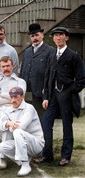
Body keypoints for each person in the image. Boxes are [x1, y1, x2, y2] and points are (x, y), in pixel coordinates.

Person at [37, 27, 85, 166]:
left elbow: (81, 79)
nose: (58, 38)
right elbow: (47, 77)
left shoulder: (73, 56)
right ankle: (47, 155)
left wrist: (70, 91)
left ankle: (65, 156)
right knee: (45, 123)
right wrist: (46, 96)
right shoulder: (52, 55)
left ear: (66, 37)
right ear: (53, 38)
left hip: (67, 97)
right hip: (52, 96)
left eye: (61, 35)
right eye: (56, 35)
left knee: (66, 126)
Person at [0, 56, 26, 169]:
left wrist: (1, 95)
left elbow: (19, 97)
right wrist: (11, 96)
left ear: (12, 66)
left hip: (13, 110)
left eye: (8, 66)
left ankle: (2, 158)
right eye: (3, 66)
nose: (6, 68)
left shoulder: (20, 81)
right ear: (0, 67)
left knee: (6, 126)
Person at [0, 87, 44, 176]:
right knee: (2, 147)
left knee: (17, 131)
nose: (13, 100)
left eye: (16, 97)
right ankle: (24, 160)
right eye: (11, 97)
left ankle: (25, 165)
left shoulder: (29, 108)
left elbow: (21, 126)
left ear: (22, 97)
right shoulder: (8, 110)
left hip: (36, 144)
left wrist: (10, 126)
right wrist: (7, 123)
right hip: (21, 142)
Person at [20, 23, 54, 118]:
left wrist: (46, 91)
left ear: (42, 35)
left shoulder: (50, 51)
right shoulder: (27, 52)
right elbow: (23, 71)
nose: (35, 38)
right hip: (27, 92)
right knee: (27, 118)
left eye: (37, 35)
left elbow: (51, 73)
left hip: (41, 92)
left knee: (40, 118)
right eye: (32, 36)